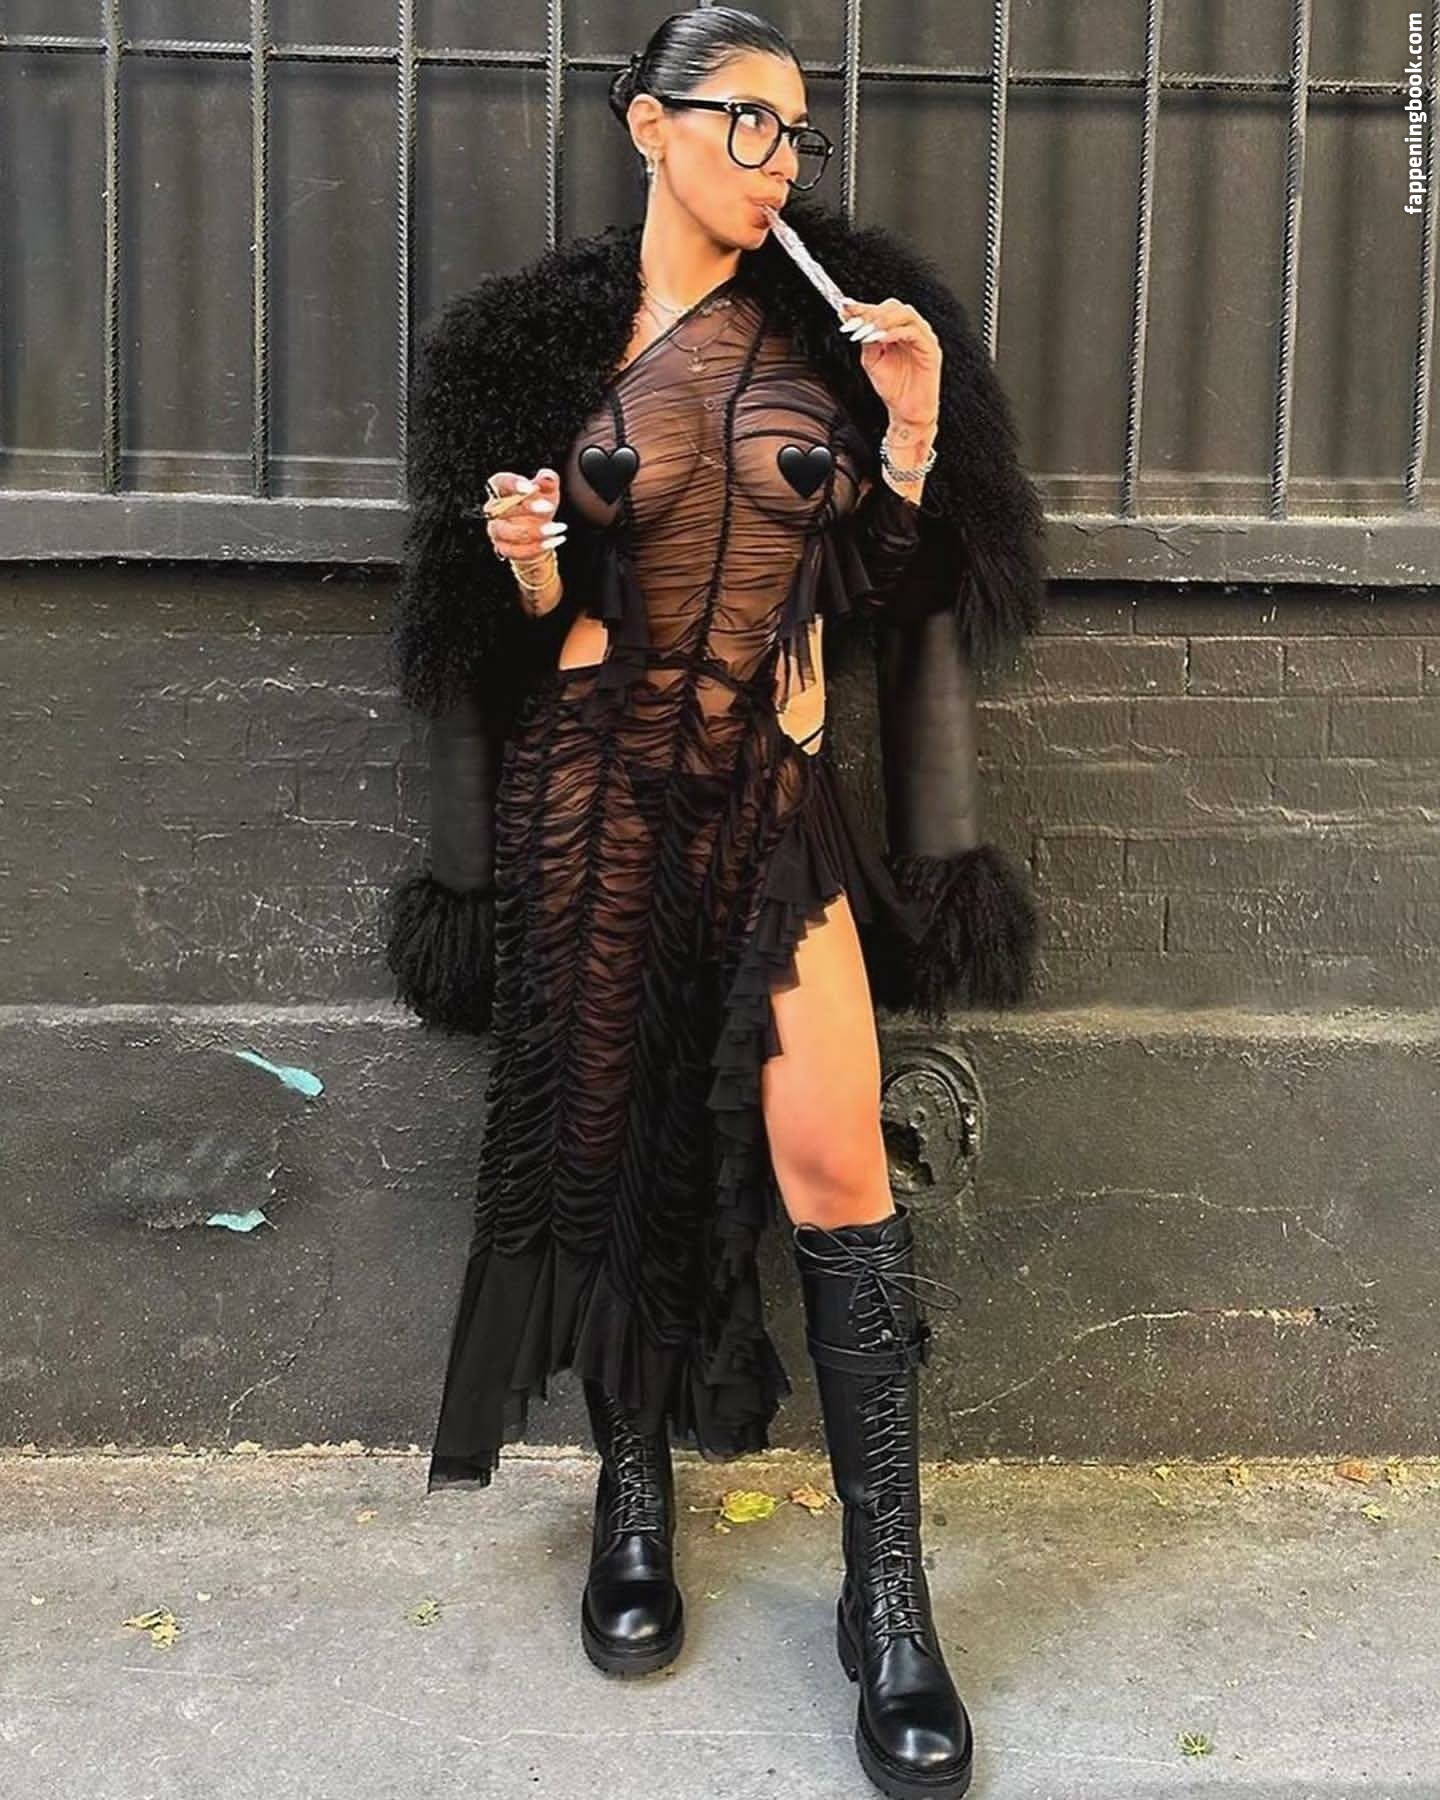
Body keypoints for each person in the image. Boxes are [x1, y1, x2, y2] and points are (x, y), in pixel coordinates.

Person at [383, 9, 1046, 1797]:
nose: (776, 159)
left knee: (835, 1159)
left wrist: (913, 432)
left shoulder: (843, 331)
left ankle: (888, 1602)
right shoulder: (534, 349)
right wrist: (528, 566)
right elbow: (497, 632)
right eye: (744, 122)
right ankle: (632, 1496)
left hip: (770, 794)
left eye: (795, 133)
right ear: (647, 126)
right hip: (594, 789)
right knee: (614, 1144)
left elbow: (894, 589)